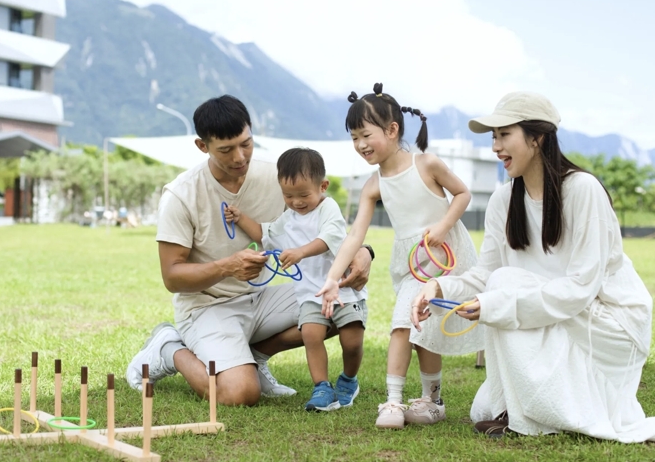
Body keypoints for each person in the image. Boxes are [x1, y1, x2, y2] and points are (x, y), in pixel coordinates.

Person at [408, 92, 655, 442]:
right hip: (555, 310)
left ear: (537, 138)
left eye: (505, 135)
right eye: (494, 137)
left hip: (611, 321)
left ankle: (526, 417)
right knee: (483, 403)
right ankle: (522, 408)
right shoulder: (504, 200)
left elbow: (580, 288)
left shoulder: (583, 190)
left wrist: (497, 303)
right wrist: (438, 287)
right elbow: (485, 276)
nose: (495, 147)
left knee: (505, 284)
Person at [127, 96, 374, 406]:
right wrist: (227, 267)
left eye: (246, 144)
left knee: (342, 306)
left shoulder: (279, 178)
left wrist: (364, 251)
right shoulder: (181, 195)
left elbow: (326, 222)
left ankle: (253, 356)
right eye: (226, 150)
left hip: (259, 298)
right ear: (202, 146)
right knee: (240, 393)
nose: (240, 157)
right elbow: (172, 277)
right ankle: (169, 349)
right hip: (207, 306)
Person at [316, 84, 477, 430]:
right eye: (354, 138)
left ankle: (431, 401)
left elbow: (463, 193)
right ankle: (393, 401)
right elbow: (355, 236)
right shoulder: (373, 185)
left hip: (446, 256)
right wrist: (332, 279)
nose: (360, 144)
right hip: (412, 267)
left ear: (392, 130)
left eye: (365, 135)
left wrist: (443, 225)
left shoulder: (427, 164)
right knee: (406, 323)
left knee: (425, 330)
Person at [222, 149, 362, 412]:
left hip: (342, 289)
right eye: (288, 196)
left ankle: (349, 380)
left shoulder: (328, 208)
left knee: (352, 341)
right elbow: (265, 234)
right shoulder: (288, 219)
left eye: (303, 195)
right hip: (310, 293)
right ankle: (322, 387)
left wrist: (300, 252)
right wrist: (240, 218)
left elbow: (329, 238)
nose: (296, 202)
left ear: (322, 187)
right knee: (311, 334)